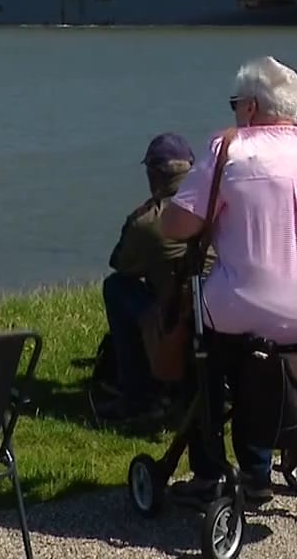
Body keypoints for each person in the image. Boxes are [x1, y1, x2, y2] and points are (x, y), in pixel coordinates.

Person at [162, 57, 297, 504]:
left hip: (258, 309)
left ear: (250, 108)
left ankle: (214, 470)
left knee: (205, 352)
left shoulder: (228, 150)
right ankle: (262, 463)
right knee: (257, 340)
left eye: (235, 104)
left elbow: (174, 227)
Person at [97, 133, 197, 421]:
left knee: (116, 288)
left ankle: (138, 394)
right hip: (218, 308)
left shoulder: (148, 222)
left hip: (176, 314)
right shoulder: (217, 208)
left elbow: (120, 263)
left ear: (154, 174)